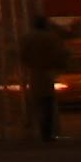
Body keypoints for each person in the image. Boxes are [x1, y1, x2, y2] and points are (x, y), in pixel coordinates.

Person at [17, 14, 69, 142]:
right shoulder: (51, 38)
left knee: (35, 103)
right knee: (48, 104)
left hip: (34, 73)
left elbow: (23, 55)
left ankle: (30, 129)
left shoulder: (28, 38)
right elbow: (60, 54)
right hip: (47, 72)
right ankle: (47, 132)